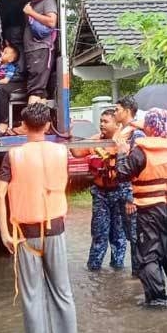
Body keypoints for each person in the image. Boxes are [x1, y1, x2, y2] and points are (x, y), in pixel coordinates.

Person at [0, 102, 79, 333]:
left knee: (32, 297)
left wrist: (5, 233)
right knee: (63, 293)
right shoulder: (61, 152)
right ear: (48, 125)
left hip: (24, 233)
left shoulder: (13, 155)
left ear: (23, 126)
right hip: (55, 228)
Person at [115, 108, 167, 306]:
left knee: (148, 254)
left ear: (149, 127)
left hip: (149, 210)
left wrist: (121, 154)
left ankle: (156, 300)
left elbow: (122, 174)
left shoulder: (141, 152)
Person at [71, 109, 129, 270]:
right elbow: (76, 152)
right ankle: (94, 269)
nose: (101, 124)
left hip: (119, 193)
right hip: (100, 194)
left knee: (119, 236)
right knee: (99, 235)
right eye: (101, 121)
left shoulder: (124, 142)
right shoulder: (95, 141)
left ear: (117, 124)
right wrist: (67, 135)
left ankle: (118, 270)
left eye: (105, 121)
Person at [113, 95, 144, 276]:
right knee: (129, 235)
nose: (115, 112)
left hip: (131, 195)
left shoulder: (136, 134)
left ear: (126, 111)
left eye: (117, 109)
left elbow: (135, 167)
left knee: (135, 237)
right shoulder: (123, 132)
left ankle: (138, 274)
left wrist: (130, 197)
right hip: (122, 192)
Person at [22, 0, 58, 105]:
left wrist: (31, 13)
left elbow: (52, 22)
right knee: (40, 91)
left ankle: (31, 123)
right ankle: (40, 122)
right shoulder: (30, 4)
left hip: (41, 49)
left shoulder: (48, 1)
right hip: (32, 50)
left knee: (35, 90)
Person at [0, 43, 21, 133]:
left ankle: (4, 121)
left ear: (11, 59)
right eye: (3, 51)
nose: (2, 53)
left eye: (5, 53)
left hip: (1, 84)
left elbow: (6, 80)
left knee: (0, 89)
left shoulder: (10, 67)